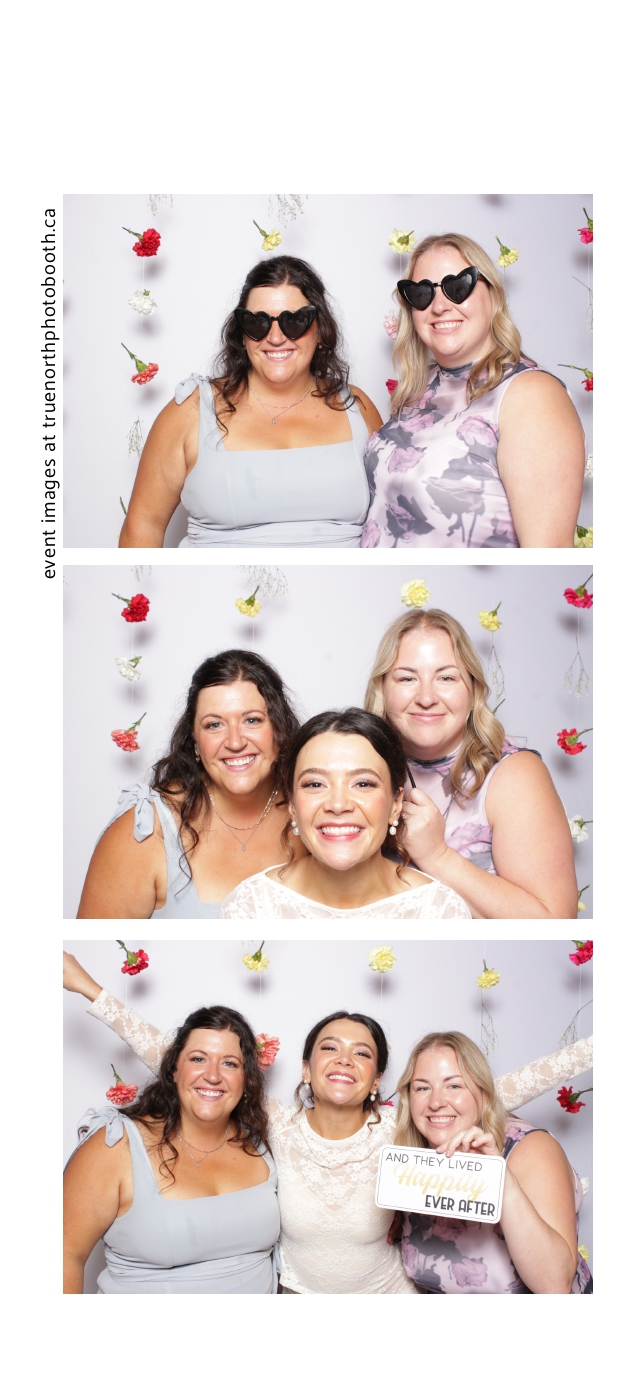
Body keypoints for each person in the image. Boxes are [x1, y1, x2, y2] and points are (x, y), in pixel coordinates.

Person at [64, 954, 594, 1297]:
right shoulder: (274, 1125)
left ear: (377, 1079)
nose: (343, 1060)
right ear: (305, 1069)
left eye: (361, 1053)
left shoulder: (404, 1123)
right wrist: (89, 989)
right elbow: (191, 1063)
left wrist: (594, 1048)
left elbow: (490, 1090)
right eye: (329, 1048)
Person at [118, 256, 381, 548]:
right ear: (242, 335)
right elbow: (143, 524)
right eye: (258, 322)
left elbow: (396, 515)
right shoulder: (190, 411)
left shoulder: (358, 407)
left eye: (295, 321)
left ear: (320, 329)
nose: (276, 338)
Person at [360, 232, 586, 548]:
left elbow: (548, 554)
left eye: (457, 287)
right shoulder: (418, 389)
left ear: (492, 295)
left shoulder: (531, 396)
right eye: (422, 293)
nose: (439, 306)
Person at [365, 607, 578, 918]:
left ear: (473, 690)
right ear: (383, 689)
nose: (426, 697)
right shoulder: (357, 770)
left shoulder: (514, 775)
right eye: (407, 678)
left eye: (446, 677)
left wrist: (436, 855)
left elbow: (554, 924)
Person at [63, 1006, 280, 1294]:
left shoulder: (261, 1143)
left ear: (246, 1078)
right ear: (174, 1070)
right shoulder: (116, 1145)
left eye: (229, 1063)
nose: (213, 1076)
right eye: (198, 1059)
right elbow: (64, 1255)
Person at [77, 649, 304, 918]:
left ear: (279, 727)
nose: (235, 742)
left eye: (252, 720)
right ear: (194, 740)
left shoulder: (315, 813)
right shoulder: (146, 829)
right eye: (214, 725)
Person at [220, 709, 471, 920]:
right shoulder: (250, 907)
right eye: (315, 784)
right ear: (293, 805)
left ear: (396, 804)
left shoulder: (440, 911)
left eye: (363, 784)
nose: (338, 805)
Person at [391, 1032, 592, 1293]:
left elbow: (555, 1286)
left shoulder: (531, 1148)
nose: (436, 1102)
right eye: (422, 1088)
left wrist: (499, 1177)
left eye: (454, 1086)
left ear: (483, 1094)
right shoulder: (413, 1164)